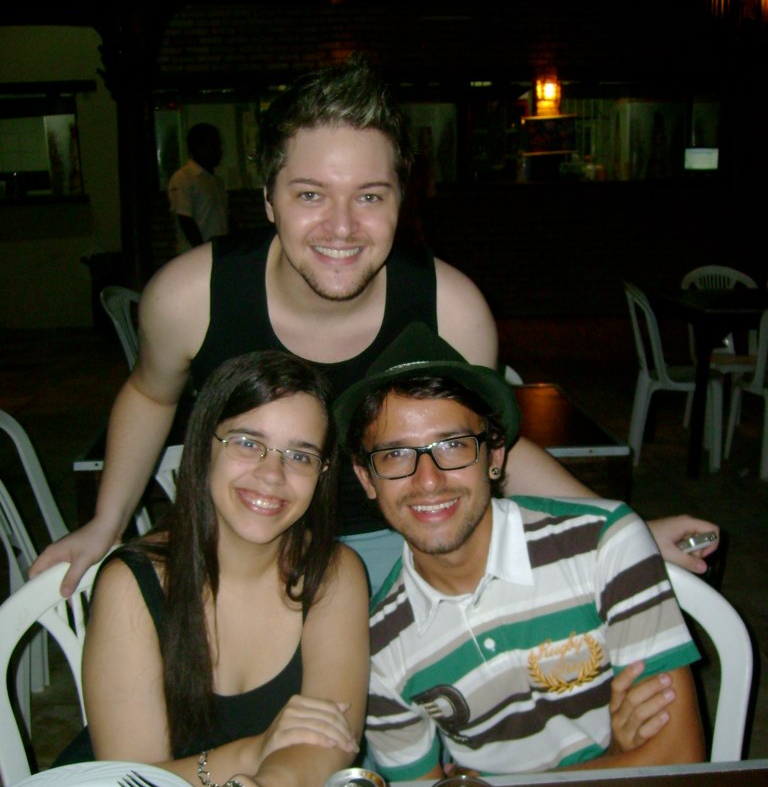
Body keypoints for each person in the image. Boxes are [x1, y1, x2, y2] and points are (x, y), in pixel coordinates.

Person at [32, 55, 718, 598]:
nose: (340, 228)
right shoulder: (189, 295)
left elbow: (492, 456)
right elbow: (152, 395)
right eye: (309, 195)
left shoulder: (452, 309)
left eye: (369, 196)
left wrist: (626, 533)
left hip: (394, 556)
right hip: (241, 551)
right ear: (268, 198)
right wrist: (106, 523)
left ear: (403, 199)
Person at [334, 323, 705, 778]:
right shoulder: (378, 647)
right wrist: (613, 765)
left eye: (453, 446)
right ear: (366, 478)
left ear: (494, 456)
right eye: (395, 455)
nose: (427, 480)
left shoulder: (606, 544)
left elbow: (680, 756)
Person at [79, 351, 369, 787]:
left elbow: (331, 744)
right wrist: (255, 752)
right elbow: (130, 784)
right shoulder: (133, 583)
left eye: (300, 456)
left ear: (322, 474)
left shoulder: (335, 574)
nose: (272, 475)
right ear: (203, 447)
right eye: (247, 443)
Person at [167, 123, 229, 253]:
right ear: (198, 148)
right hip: (195, 254)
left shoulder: (216, 181)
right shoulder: (183, 178)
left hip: (218, 252)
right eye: (214, 145)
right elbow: (185, 220)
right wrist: (201, 251)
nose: (219, 150)